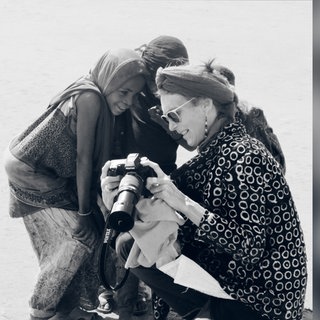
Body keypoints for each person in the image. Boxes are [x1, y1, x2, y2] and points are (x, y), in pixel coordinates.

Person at [101, 61, 307, 320]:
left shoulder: (247, 155)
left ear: (205, 105)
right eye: (165, 118)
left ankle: (205, 312)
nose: (172, 127)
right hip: (234, 280)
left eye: (174, 115)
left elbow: (251, 247)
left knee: (142, 246)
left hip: (263, 298)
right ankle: (200, 311)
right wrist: (120, 197)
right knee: (130, 243)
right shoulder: (210, 156)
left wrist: (182, 201)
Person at [3, 48, 147, 320]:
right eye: (123, 92)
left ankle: (73, 309)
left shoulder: (97, 93)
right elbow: (83, 159)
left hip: (49, 174)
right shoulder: (90, 97)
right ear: (109, 80)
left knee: (90, 232)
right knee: (76, 240)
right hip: (32, 173)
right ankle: (41, 310)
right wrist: (83, 213)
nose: (129, 101)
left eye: (134, 95)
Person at [97, 35, 190, 319]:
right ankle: (118, 295)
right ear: (151, 74)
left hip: (162, 176)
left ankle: (146, 296)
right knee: (122, 232)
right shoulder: (137, 93)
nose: (166, 85)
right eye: (161, 79)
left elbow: (188, 141)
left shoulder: (175, 100)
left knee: (151, 238)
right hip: (131, 173)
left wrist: (166, 120)